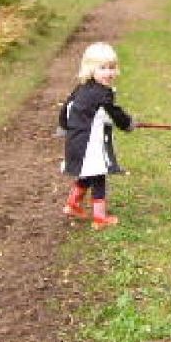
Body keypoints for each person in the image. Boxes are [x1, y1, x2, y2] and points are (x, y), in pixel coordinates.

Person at [59, 42, 134, 229]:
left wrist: (64, 127)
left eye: (112, 68)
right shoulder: (103, 93)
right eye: (103, 68)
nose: (108, 73)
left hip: (75, 141)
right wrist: (128, 124)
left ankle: (73, 204)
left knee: (87, 173)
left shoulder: (80, 88)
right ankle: (100, 218)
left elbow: (65, 109)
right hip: (88, 144)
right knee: (98, 174)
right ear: (90, 69)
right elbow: (115, 113)